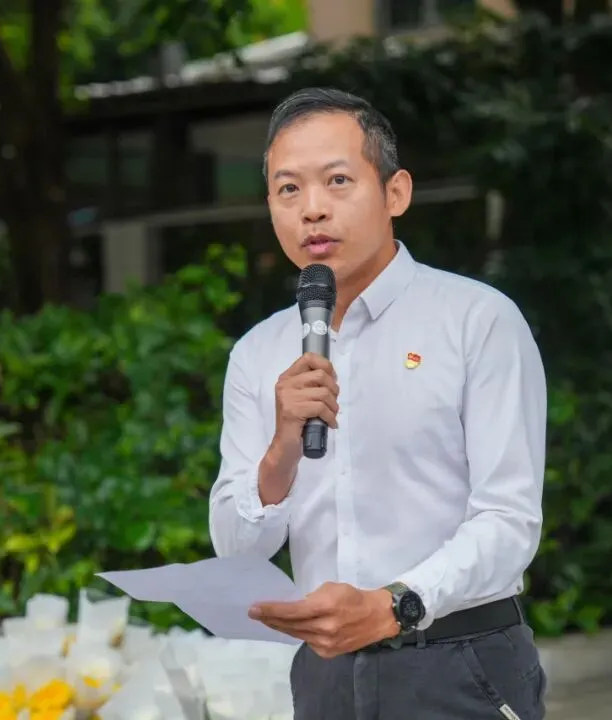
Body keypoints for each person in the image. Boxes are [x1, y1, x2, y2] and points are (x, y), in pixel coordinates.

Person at [208, 87, 548, 720]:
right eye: (288, 189)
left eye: (337, 181)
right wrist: (281, 449)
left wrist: (396, 604)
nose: (312, 209)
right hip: (325, 675)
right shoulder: (258, 353)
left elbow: (509, 520)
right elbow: (237, 550)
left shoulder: (477, 321)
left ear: (396, 192)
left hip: (459, 660)